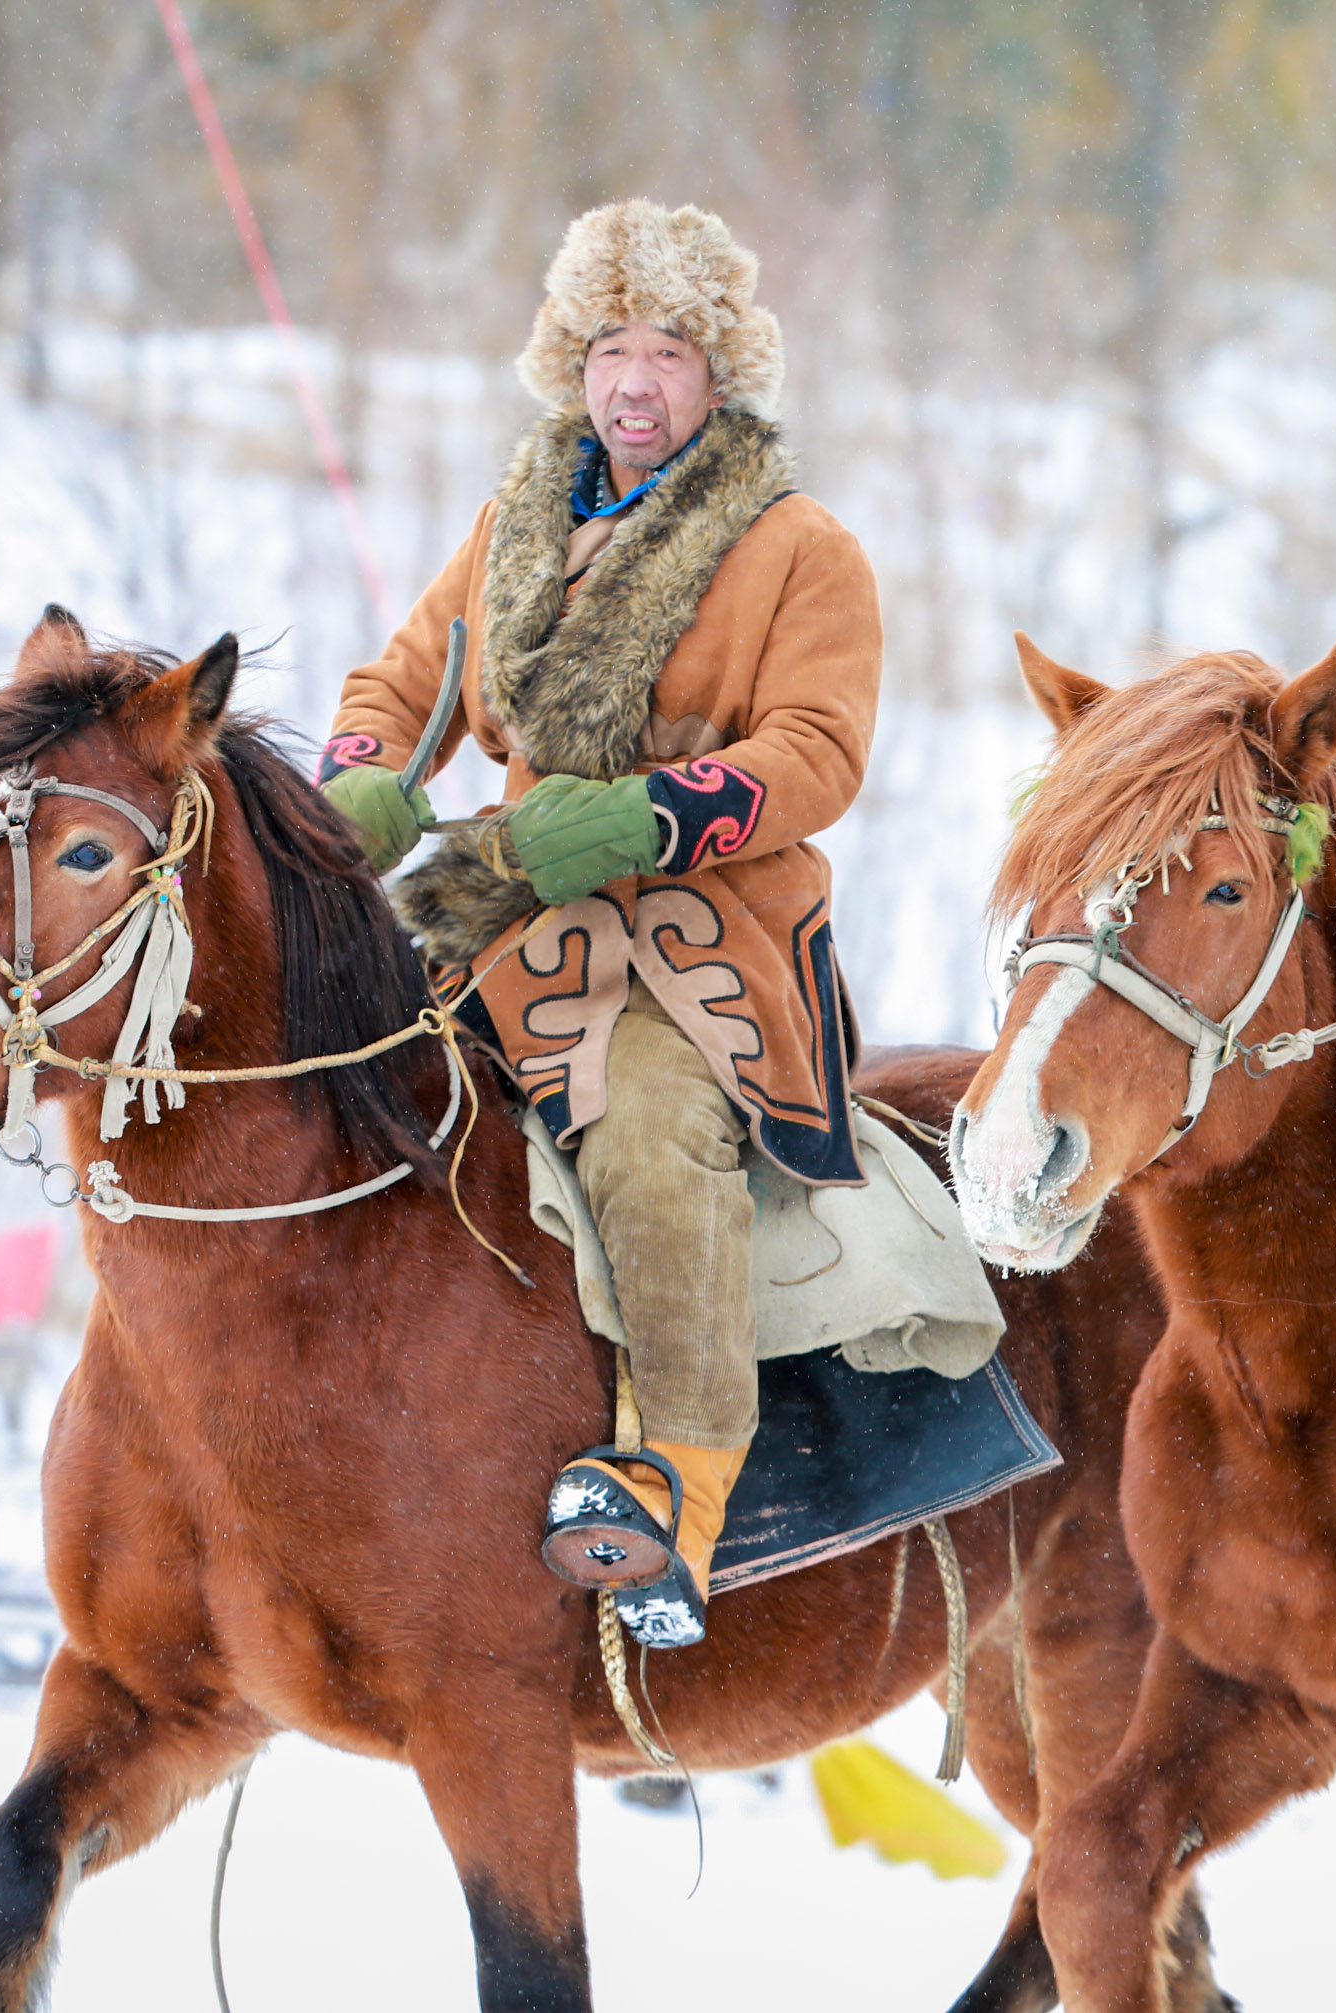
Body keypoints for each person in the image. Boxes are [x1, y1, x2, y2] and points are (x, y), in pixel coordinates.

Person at [321, 198, 879, 1650]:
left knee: (641, 1127)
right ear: (571, 364)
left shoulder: (801, 546)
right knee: (329, 1075)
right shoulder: (514, 523)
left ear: (720, 373)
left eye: (671, 351)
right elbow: (402, 683)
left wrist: (653, 815)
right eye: (610, 348)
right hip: (502, 913)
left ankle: (679, 1487)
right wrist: (359, 781)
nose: (636, 382)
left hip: (699, 939)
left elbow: (820, 751)